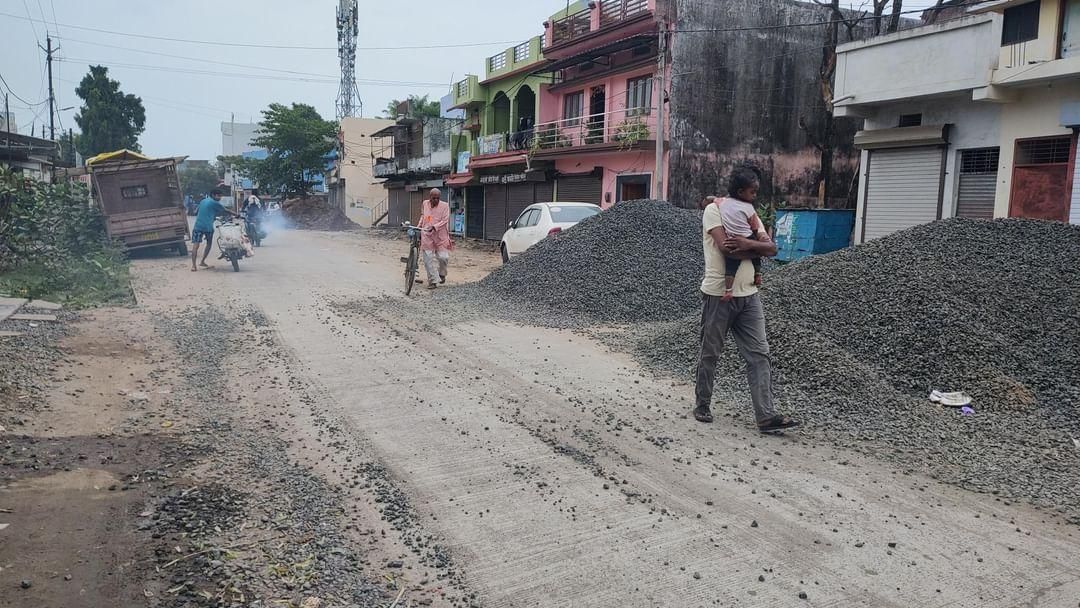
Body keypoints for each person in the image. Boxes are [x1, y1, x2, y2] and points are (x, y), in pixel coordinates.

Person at [694, 167, 799, 434]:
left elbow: (773, 248)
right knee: (710, 353)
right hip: (718, 294)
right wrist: (755, 248)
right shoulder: (713, 211)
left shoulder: (750, 213)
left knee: (759, 354)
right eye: (751, 190)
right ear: (739, 190)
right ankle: (702, 404)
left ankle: (765, 417)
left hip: (749, 297)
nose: (754, 195)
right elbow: (726, 247)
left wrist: (748, 244)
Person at [715, 171, 769, 300]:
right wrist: (759, 237)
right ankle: (758, 274)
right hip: (748, 237)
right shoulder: (748, 208)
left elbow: (714, 200)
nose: (755, 195)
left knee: (731, 265)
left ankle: (728, 290)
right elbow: (755, 226)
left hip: (732, 239)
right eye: (753, 192)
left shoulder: (723, 203)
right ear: (740, 192)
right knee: (757, 255)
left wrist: (710, 199)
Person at [190, 188, 238, 272]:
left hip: (197, 226)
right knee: (208, 244)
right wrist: (237, 214)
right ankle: (202, 261)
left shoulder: (203, 201)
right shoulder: (215, 203)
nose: (220, 198)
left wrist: (211, 215)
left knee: (195, 246)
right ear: (213, 195)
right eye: (218, 196)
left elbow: (196, 211)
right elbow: (226, 210)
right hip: (208, 227)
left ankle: (193, 266)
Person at [417, 188, 451, 289]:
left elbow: (445, 220)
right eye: (434, 198)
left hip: (440, 236)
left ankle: (442, 274)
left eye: (437, 198)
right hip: (427, 235)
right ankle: (432, 281)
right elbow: (423, 216)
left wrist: (435, 227)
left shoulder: (445, 206)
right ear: (430, 197)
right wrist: (419, 227)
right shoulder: (425, 203)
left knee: (443, 257)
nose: (436, 200)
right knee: (428, 259)